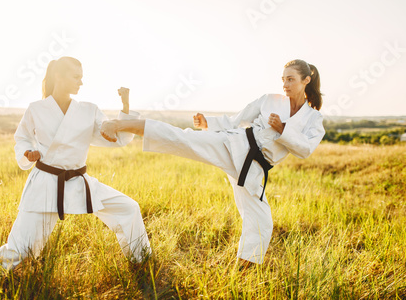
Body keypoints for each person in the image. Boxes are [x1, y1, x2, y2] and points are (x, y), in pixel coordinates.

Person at [100, 59, 325, 267]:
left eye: (291, 79)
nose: (285, 84)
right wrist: (208, 122)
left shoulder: (314, 119)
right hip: (233, 144)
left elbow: (305, 149)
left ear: (306, 80)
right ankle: (120, 125)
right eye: (283, 79)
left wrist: (283, 130)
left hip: (254, 168)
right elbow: (236, 119)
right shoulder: (270, 100)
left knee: (262, 222)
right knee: (182, 138)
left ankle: (243, 274)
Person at [0, 57, 151, 279]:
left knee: (129, 208)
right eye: (76, 77)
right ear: (58, 77)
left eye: (82, 77)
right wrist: (27, 153)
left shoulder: (89, 110)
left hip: (80, 182)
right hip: (46, 183)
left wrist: (125, 107)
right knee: (22, 247)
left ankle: (143, 263)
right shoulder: (36, 109)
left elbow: (114, 138)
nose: (81, 82)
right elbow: (21, 139)